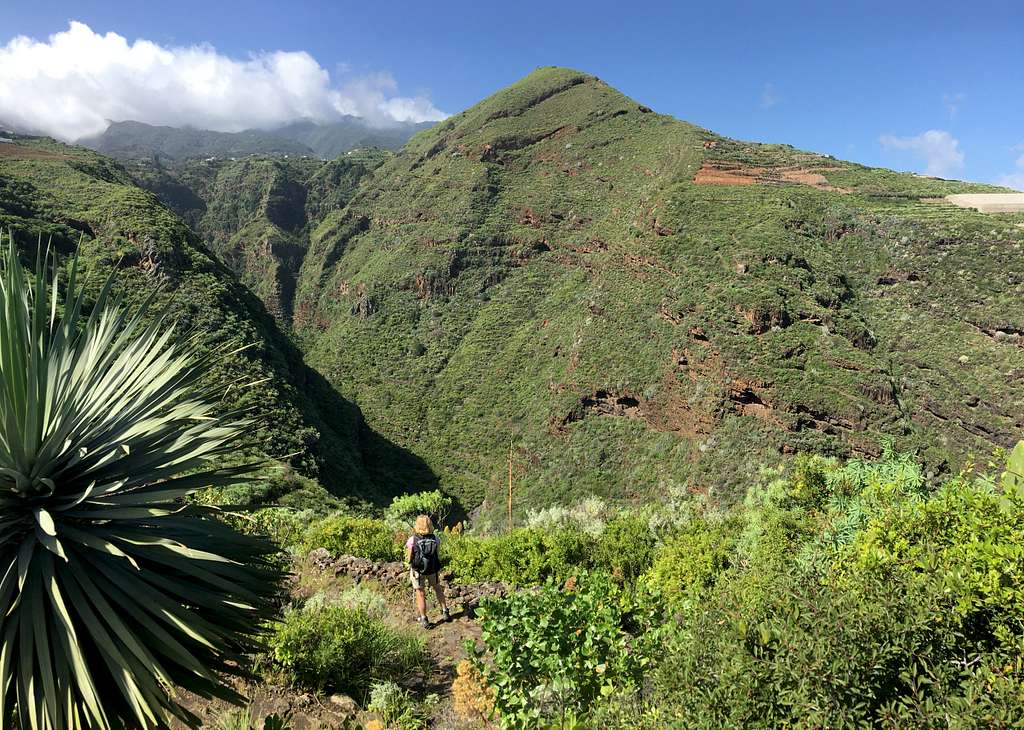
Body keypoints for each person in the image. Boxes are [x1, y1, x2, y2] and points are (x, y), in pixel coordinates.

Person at [406, 514, 449, 627]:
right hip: (433, 569)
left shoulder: (412, 540)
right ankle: (445, 611)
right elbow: (437, 554)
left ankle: (424, 619)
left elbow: (409, 557)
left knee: (420, 593)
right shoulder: (436, 539)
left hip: (418, 570)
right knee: (437, 588)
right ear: (430, 525)